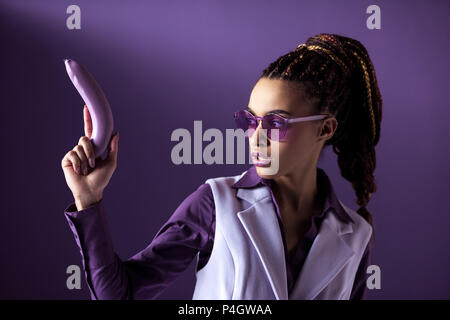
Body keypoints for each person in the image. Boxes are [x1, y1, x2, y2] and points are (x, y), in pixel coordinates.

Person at [61, 33, 382, 300]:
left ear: (325, 129)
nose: (255, 138)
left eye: (275, 123)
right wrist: (88, 200)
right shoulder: (215, 204)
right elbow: (120, 294)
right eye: (249, 120)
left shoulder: (357, 236)